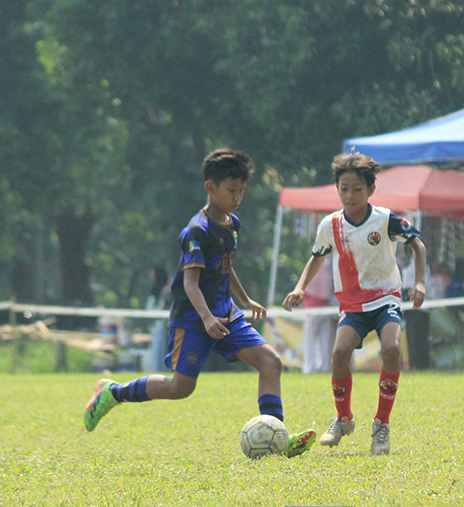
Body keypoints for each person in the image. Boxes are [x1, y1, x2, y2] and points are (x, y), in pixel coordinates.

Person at [83, 148, 315, 458]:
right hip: (194, 320)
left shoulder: (232, 223)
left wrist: (244, 299)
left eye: (242, 191)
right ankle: (112, 392)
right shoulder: (196, 231)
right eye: (231, 191)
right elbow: (191, 282)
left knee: (270, 362)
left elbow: (224, 264)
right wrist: (206, 319)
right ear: (211, 188)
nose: (237, 198)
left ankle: (278, 439)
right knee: (180, 388)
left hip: (225, 315)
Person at [283, 152, 427, 456]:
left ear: (371, 190)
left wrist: (419, 282)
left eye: (357, 190)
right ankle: (343, 419)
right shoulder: (330, 224)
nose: (350, 196)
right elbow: (317, 257)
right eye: (344, 189)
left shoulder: (385, 219)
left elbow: (417, 244)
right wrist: (299, 288)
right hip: (352, 305)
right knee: (339, 353)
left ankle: (381, 425)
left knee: (391, 349)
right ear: (337, 189)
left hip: (386, 298)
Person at [300, 257, 336, 374]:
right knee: (324, 341)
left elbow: (305, 288)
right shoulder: (328, 268)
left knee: (310, 340)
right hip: (325, 307)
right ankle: (325, 367)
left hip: (312, 309)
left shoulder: (316, 264)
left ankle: (309, 367)